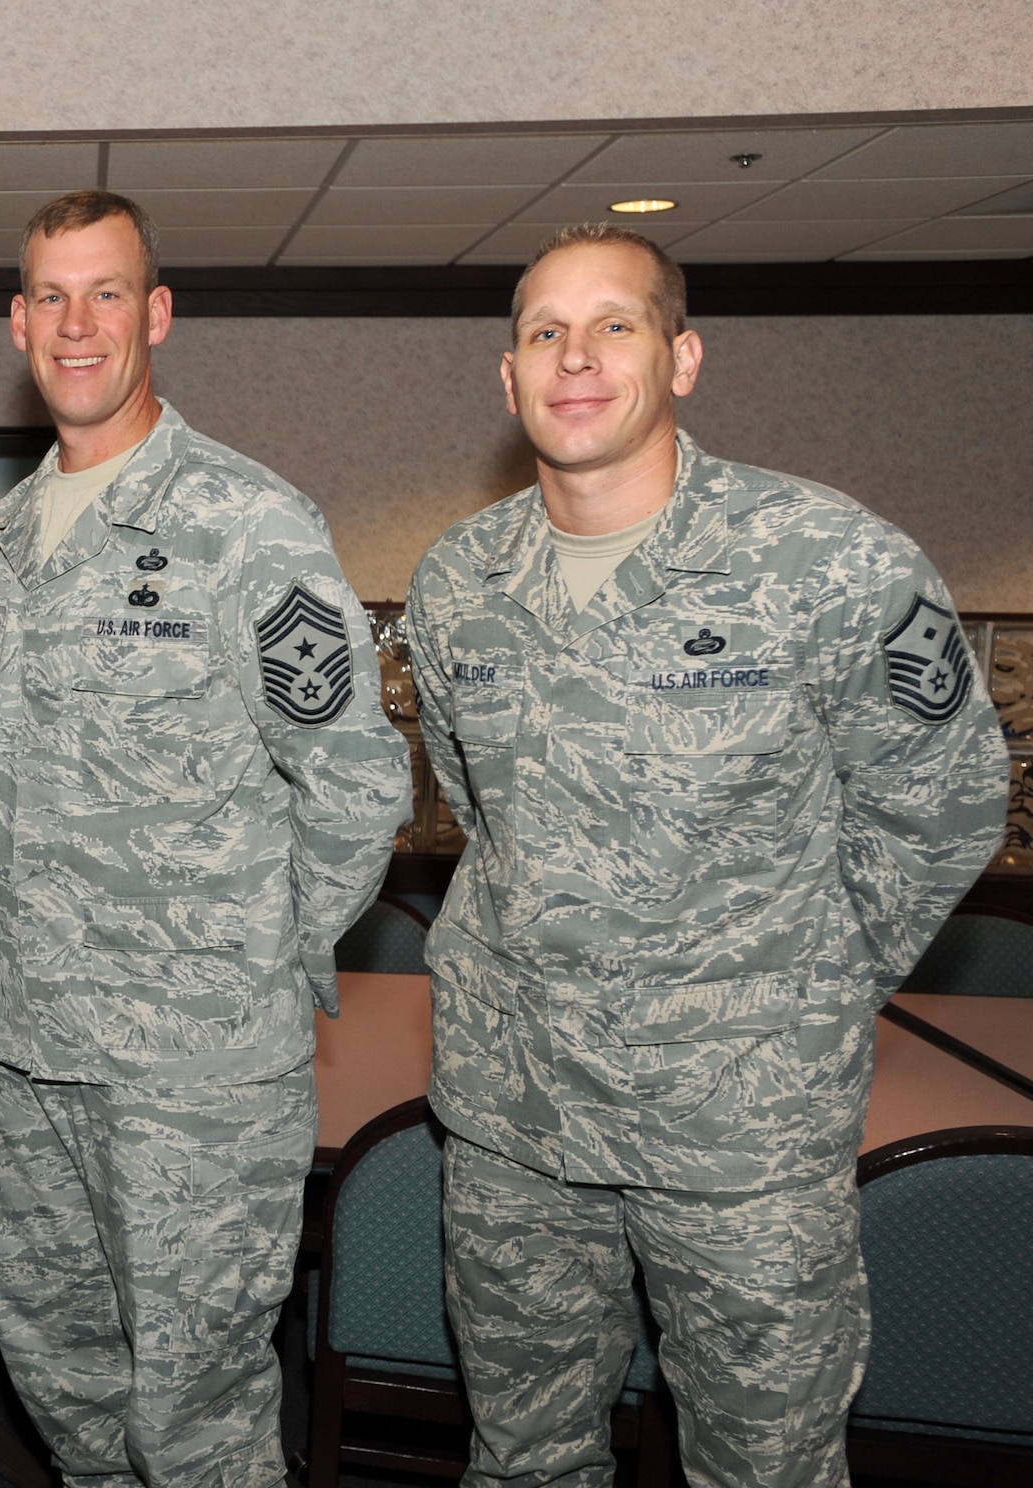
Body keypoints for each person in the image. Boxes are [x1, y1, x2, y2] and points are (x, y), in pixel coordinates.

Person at [406, 222, 1009, 1488]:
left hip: (737, 1130)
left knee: (764, 1465)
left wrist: (797, 985)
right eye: (542, 332)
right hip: (514, 1113)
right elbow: (480, 807)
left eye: (612, 324)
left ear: (681, 358)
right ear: (505, 378)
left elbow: (944, 800)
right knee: (521, 1457)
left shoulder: (826, 560)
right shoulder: (460, 579)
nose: (575, 357)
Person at [0, 190, 412, 1488]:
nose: (77, 323)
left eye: (106, 292)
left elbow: (353, 779)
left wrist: (246, 966)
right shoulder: (1, 543)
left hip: (196, 1071)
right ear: (17, 324)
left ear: (156, 314)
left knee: (199, 1412)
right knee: (61, 1372)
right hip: (34, 1047)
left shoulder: (248, 522)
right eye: (50, 295)